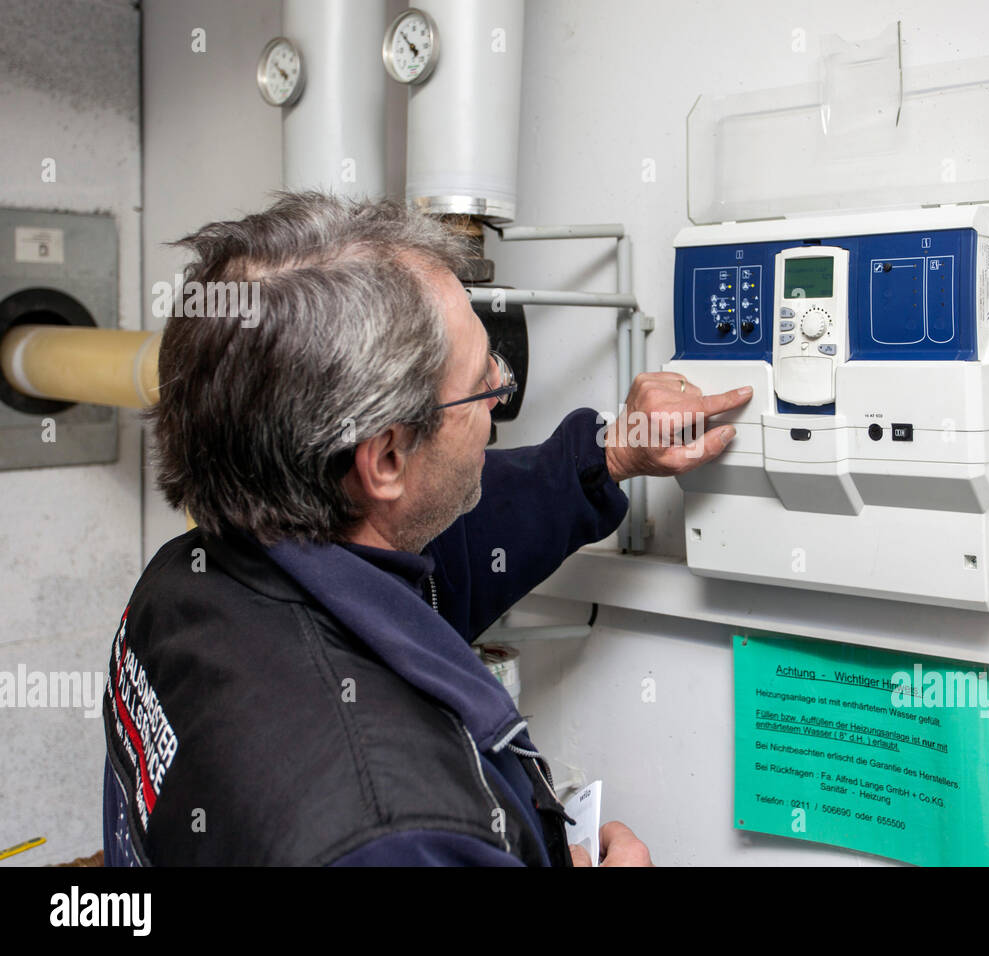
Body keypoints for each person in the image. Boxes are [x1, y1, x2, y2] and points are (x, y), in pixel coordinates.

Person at [101, 191, 751, 866]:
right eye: (480, 381)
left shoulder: (184, 586)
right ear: (385, 458)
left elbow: (436, 540)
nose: (503, 389)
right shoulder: (399, 831)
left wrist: (610, 455)